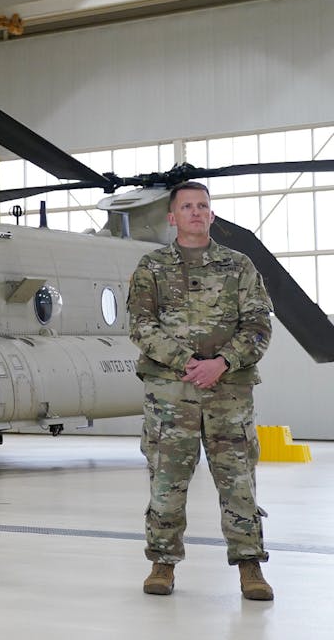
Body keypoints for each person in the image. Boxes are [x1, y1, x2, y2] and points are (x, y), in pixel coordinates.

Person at [127, 181, 274, 601]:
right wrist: (185, 362)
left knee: (239, 482)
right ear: (172, 217)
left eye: (203, 206)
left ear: (212, 215)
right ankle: (162, 563)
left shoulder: (239, 266)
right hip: (171, 397)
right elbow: (140, 325)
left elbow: (259, 325)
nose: (196, 212)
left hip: (228, 395)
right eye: (187, 206)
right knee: (166, 484)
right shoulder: (151, 267)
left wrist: (222, 363)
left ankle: (250, 567)